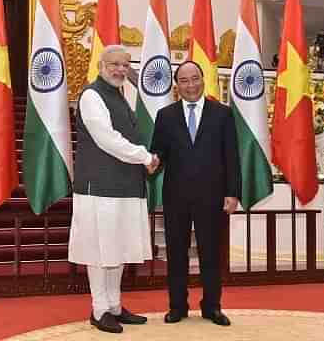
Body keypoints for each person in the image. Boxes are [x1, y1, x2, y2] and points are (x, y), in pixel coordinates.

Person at [68, 45, 159, 334]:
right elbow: (106, 139)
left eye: (125, 64)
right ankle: (99, 309)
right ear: (101, 65)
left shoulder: (119, 95)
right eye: (114, 64)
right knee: (99, 251)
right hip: (99, 188)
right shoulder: (92, 96)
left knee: (117, 247)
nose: (120, 69)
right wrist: (145, 157)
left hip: (125, 185)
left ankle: (115, 306)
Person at [150, 60, 240, 326]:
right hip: (175, 196)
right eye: (184, 81)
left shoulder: (222, 113)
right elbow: (159, 152)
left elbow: (231, 157)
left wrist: (232, 193)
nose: (190, 85)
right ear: (177, 86)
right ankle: (177, 306)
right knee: (176, 253)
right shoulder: (165, 116)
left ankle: (212, 307)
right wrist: (152, 160)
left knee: (211, 253)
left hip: (212, 196)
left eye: (195, 79)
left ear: (203, 80)